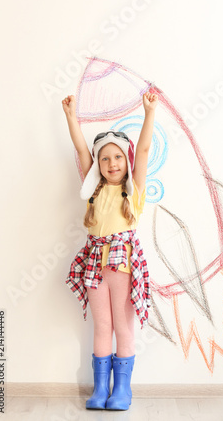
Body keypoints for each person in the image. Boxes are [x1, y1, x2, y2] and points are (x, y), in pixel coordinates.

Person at [62, 90, 158, 411]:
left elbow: (143, 150)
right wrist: (71, 117)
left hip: (123, 264)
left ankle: (122, 390)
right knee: (102, 326)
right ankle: (100, 388)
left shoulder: (133, 192)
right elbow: (79, 149)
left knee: (122, 326)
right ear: (98, 164)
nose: (111, 163)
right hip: (94, 262)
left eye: (117, 157)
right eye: (105, 158)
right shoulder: (94, 190)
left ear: (125, 163)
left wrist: (149, 113)